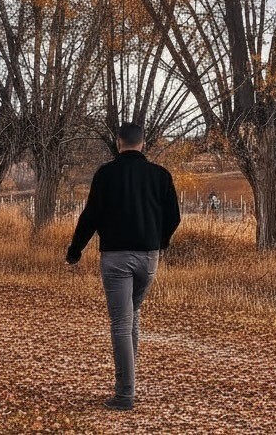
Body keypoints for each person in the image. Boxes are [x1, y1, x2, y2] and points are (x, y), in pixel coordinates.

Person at [66, 122, 181, 411]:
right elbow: (174, 216)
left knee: (120, 323)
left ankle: (124, 394)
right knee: (132, 316)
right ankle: (127, 383)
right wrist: (159, 241)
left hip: (116, 258)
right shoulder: (160, 175)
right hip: (148, 258)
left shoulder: (106, 175)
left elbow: (90, 216)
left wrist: (75, 250)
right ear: (143, 143)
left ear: (119, 142)